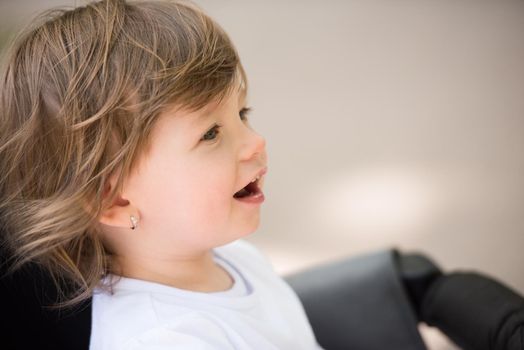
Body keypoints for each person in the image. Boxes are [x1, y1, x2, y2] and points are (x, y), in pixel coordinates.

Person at [0, 1, 324, 349]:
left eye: (242, 114)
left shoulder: (236, 258)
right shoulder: (162, 339)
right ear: (116, 199)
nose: (255, 143)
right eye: (211, 133)